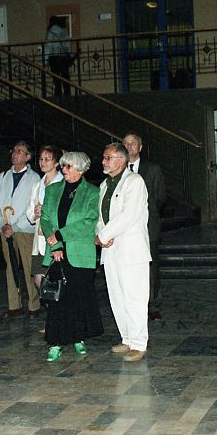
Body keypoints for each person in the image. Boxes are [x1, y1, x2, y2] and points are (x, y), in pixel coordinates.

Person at [40, 152, 103, 362]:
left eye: (68, 166)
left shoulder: (92, 192)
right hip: (57, 251)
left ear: (81, 170)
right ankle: (55, 342)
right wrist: (56, 244)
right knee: (58, 299)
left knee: (78, 297)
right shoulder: (52, 190)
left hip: (80, 252)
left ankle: (78, 337)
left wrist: (61, 234)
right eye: (63, 166)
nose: (64, 170)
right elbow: (45, 219)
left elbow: (90, 221)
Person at [96, 142, 151, 362]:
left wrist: (103, 235)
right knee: (117, 297)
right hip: (111, 250)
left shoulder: (134, 182)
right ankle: (127, 337)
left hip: (131, 250)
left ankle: (139, 343)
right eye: (104, 157)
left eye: (108, 158)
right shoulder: (104, 184)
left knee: (134, 297)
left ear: (121, 160)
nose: (103, 161)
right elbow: (100, 216)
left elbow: (129, 215)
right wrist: (101, 233)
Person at [0, 141, 42, 319]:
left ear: (28, 157)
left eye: (20, 151)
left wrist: (16, 226)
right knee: (10, 267)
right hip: (6, 229)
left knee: (29, 267)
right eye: (14, 150)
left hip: (24, 229)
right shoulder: (3, 176)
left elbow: (32, 205)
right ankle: (14, 305)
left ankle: (34, 304)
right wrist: (1, 224)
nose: (15, 154)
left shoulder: (34, 178)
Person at [123, 132, 166, 321]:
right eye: (126, 143)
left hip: (148, 225)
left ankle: (153, 304)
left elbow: (160, 197)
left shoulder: (152, 169)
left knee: (151, 266)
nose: (129, 146)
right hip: (125, 228)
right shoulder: (118, 169)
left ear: (140, 147)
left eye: (133, 143)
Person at [26, 145, 65, 293]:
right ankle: (50, 304)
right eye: (41, 159)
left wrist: (46, 211)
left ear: (56, 163)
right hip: (40, 238)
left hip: (55, 236)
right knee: (38, 279)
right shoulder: (37, 185)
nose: (43, 162)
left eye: (47, 159)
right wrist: (35, 214)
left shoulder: (62, 183)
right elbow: (29, 210)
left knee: (56, 279)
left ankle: (57, 306)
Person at [45, 15, 72, 96]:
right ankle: (67, 94)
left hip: (54, 57)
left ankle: (58, 94)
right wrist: (68, 54)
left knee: (56, 77)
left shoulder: (50, 32)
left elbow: (48, 46)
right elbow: (67, 45)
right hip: (63, 56)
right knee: (65, 76)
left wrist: (45, 58)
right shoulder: (64, 31)